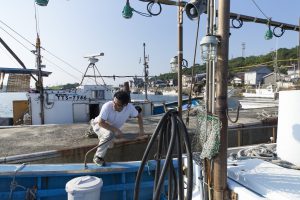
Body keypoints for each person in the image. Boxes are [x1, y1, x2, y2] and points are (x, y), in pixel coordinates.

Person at [91, 91, 145, 166]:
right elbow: (101, 123)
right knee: (109, 134)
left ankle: (100, 135)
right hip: (98, 124)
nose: (114, 105)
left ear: (125, 105)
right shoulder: (107, 106)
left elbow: (139, 116)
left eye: (118, 105)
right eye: (114, 102)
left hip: (110, 128)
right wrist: (116, 130)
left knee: (110, 145)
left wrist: (141, 131)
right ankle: (98, 157)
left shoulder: (130, 108)